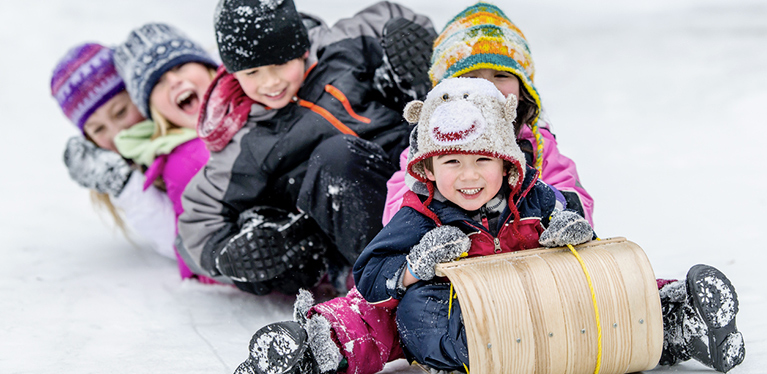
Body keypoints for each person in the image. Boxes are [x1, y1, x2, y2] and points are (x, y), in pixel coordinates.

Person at [233, 78, 744, 374]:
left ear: (507, 164)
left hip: (541, 299)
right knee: (390, 315)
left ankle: (678, 320)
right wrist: (415, 267)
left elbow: (579, 230)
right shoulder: (420, 215)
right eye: (453, 162)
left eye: (482, 160)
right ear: (430, 168)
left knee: (603, 283)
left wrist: (572, 233)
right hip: (458, 313)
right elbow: (371, 275)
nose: (468, 175)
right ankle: (306, 350)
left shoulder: (535, 198)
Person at [176, 0, 437, 295]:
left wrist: (407, 46)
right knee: (336, 157)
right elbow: (196, 223)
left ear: (301, 49)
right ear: (233, 73)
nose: (270, 82)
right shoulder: (247, 142)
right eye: (252, 73)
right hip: (362, 218)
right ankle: (381, 278)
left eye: (280, 64)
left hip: (420, 171)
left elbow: (394, 16)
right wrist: (226, 255)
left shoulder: (340, 49)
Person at [381, 2, 594, 226]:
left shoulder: (536, 145)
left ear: (523, 90)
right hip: (458, 256)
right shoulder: (430, 144)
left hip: (525, 256)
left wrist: (558, 212)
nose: (488, 86)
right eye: (471, 77)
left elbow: (575, 195)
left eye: (501, 75)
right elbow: (396, 207)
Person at [111, 23, 220, 283]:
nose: (174, 81)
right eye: (157, 82)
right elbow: (196, 256)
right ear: (154, 111)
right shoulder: (190, 159)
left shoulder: (264, 95)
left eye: (180, 65)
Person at [52, 42, 177, 260]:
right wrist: (125, 186)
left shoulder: (188, 135)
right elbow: (179, 241)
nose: (117, 134)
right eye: (98, 129)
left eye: (120, 112)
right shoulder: (137, 170)